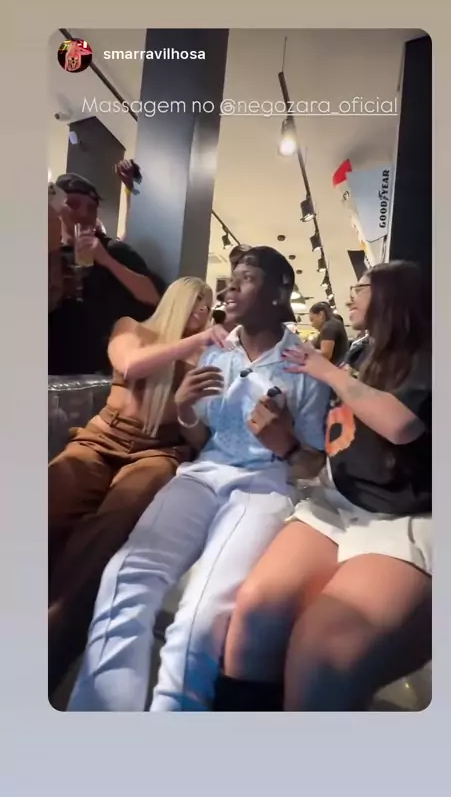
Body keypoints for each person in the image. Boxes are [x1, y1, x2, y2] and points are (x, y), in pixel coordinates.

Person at [67, 246, 331, 712]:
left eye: (246, 277)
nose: (231, 287)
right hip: (203, 474)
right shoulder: (215, 353)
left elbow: (312, 466)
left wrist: (286, 444)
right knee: (125, 576)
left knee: (202, 613)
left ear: (279, 292)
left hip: (265, 485)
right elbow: (200, 434)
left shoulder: (304, 365)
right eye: (232, 276)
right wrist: (185, 407)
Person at [214, 260, 432, 712]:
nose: (352, 295)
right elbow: (328, 451)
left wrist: (327, 372)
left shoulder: (428, 356)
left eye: (363, 287)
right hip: (335, 503)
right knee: (255, 613)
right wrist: (286, 442)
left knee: (322, 655)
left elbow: (401, 425)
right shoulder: (362, 353)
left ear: (394, 296)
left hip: (403, 519)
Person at [48, 277, 225, 701]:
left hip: (160, 450)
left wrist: (186, 405)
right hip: (102, 437)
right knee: (52, 499)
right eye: (197, 301)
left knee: (111, 530)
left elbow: (201, 437)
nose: (203, 310)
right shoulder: (133, 328)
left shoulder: (207, 360)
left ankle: (52, 638)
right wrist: (194, 343)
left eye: (208, 304)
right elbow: (129, 366)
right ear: (176, 300)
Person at [48, 172, 164, 375]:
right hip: (53, 367)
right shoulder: (50, 253)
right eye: (74, 204)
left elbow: (154, 296)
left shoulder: (114, 250)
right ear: (58, 207)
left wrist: (107, 260)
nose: (84, 214)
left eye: (91, 208)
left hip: (103, 369)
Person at [309, 301, 349, 365]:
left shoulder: (328, 327)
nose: (312, 325)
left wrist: (307, 351)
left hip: (335, 367)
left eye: (312, 320)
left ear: (321, 315)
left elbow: (325, 355)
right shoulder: (333, 324)